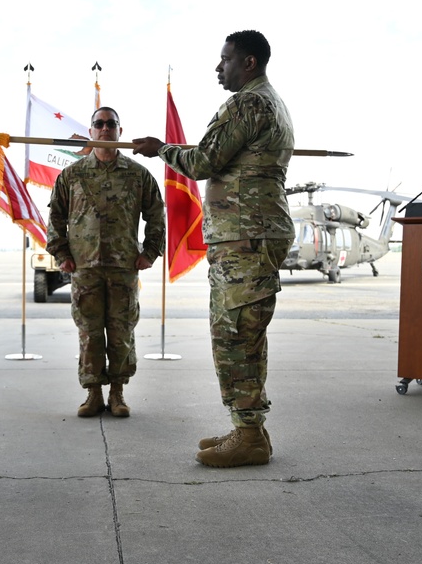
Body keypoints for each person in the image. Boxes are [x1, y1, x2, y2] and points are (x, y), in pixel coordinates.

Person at [133, 30, 294, 467]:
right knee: (243, 332)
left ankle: (248, 435)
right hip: (252, 232)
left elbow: (204, 161)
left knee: (235, 335)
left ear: (249, 63)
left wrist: (160, 149)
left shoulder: (248, 102)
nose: (218, 68)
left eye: (225, 60)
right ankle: (248, 427)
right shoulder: (271, 102)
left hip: (247, 235)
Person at [46, 107, 165, 418]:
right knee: (89, 331)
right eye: (99, 124)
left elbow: (156, 215)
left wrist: (150, 252)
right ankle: (93, 393)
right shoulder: (72, 175)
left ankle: (118, 393)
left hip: (124, 266)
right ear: (91, 131)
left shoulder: (137, 174)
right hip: (84, 268)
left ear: (119, 132)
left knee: (122, 329)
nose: (105, 128)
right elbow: (56, 216)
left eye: (111, 124)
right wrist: (62, 254)